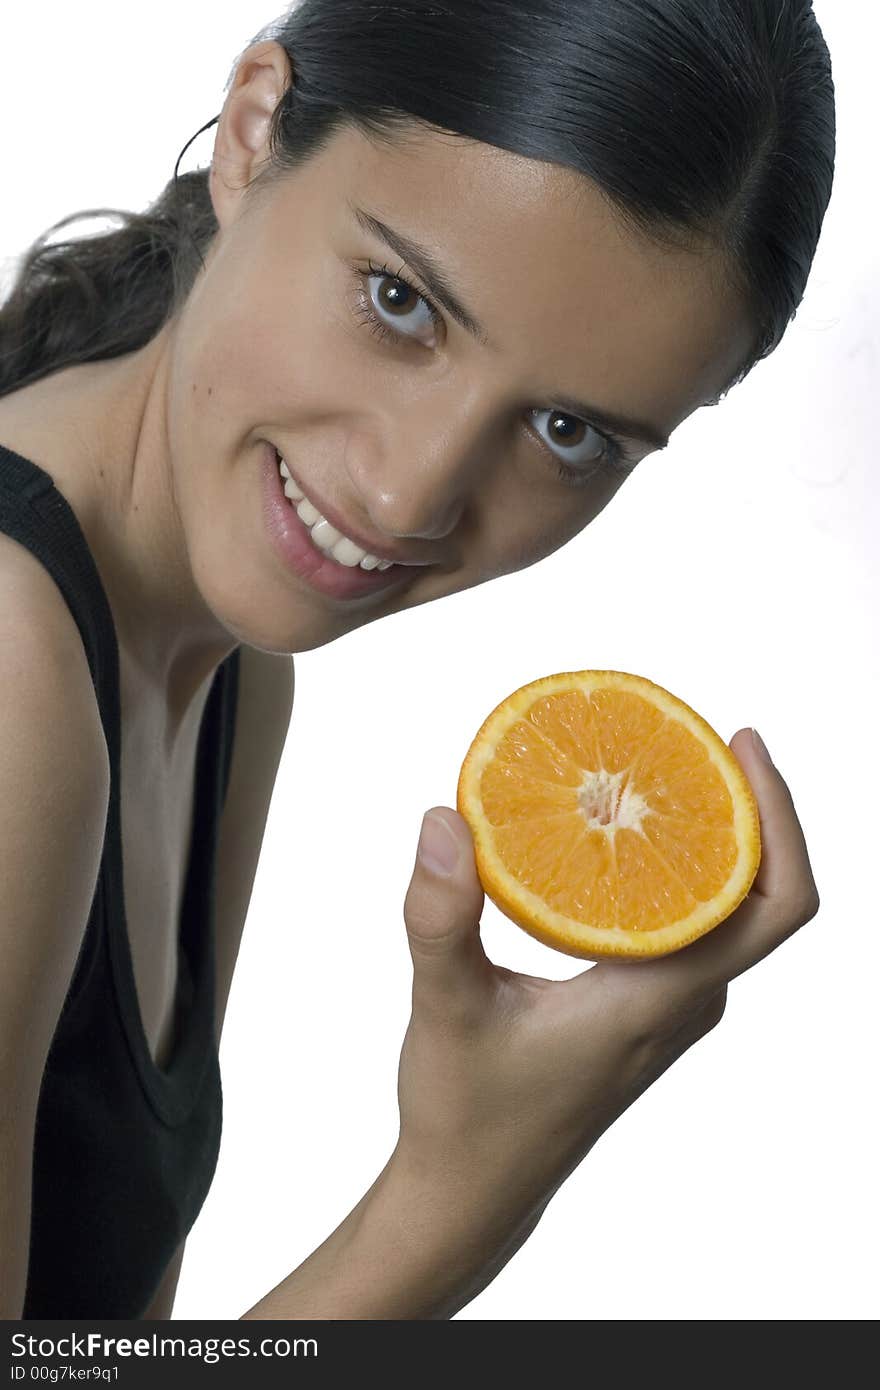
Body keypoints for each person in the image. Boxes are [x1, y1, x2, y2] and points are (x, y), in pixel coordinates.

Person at [0, 0, 833, 1320]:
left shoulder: (221, 668)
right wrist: (459, 1190)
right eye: (400, 301)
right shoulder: (10, 664)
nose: (407, 495)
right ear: (257, 127)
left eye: (568, 432)